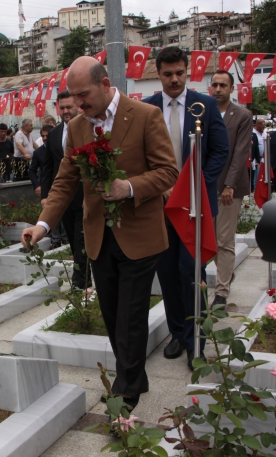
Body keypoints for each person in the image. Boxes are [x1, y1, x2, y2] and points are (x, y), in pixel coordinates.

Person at [22, 57, 178, 409]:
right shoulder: (76, 128)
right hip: (98, 237)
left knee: (131, 317)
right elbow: (64, 182)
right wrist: (42, 224)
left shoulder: (145, 116)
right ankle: (132, 377)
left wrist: (130, 187)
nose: (79, 104)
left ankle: (125, 393)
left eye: (84, 95)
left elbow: (168, 172)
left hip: (140, 234)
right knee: (112, 316)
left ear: (105, 85)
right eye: (74, 98)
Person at [143, 46, 229, 370]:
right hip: (160, 206)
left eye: (180, 73)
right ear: (158, 74)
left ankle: (197, 343)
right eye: (168, 74)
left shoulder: (204, 105)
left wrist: (195, 185)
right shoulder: (147, 108)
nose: (174, 79)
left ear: (187, 71)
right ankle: (177, 332)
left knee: (191, 272)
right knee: (166, 272)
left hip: (195, 206)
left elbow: (220, 150)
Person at [209, 70, 253, 306]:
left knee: (224, 240)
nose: (218, 89)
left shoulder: (242, 115)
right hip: (205, 187)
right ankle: (226, 273)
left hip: (229, 189)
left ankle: (221, 293)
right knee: (209, 241)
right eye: (214, 84)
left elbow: (240, 153)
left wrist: (229, 185)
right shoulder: (203, 112)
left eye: (223, 85)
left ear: (231, 89)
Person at [41, 90, 86, 282]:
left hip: (85, 197)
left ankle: (81, 281)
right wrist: (45, 195)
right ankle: (83, 276)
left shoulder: (88, 128)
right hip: (64, 198)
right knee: (73, 240)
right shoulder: (54, 134)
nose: (66, 111)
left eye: (70, 107)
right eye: (63, 108)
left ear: (78, 106)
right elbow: (48, 166)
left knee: (81, 239)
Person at [251, 118, 265, 193]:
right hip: (252, 160)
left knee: (259, 177)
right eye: (263, 124)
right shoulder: (253, 133)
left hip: (260, 160)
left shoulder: (263, 133)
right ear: (258, 124)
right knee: (253, 178)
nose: (264, 126)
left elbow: (256, 148)